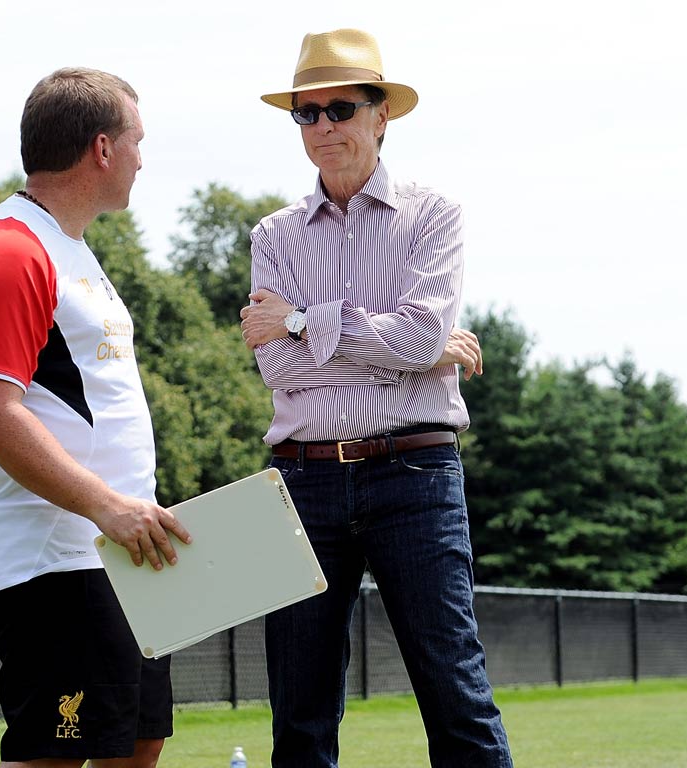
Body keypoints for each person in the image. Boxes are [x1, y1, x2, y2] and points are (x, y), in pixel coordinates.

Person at [239, 29, 513, 768]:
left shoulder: (434, 215)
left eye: (341, 109)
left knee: (455, 695)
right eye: (307, 113)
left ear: (381, 113)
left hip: (414, 476)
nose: (324, 126)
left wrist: (303, 321)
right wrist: (412, 350)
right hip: (301, 481)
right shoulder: (272, 235)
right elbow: (279, 372)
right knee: (299, 714)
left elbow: (416, 337)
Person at [0, 67, 191, 768]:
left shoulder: (69, 249)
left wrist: (130, 511)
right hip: (54, 561)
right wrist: (108, 506)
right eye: (138, 141)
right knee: (54, 753)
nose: (145, 158)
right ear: (103, 149)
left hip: (118, 556)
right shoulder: (9, 252)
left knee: (139, 742)